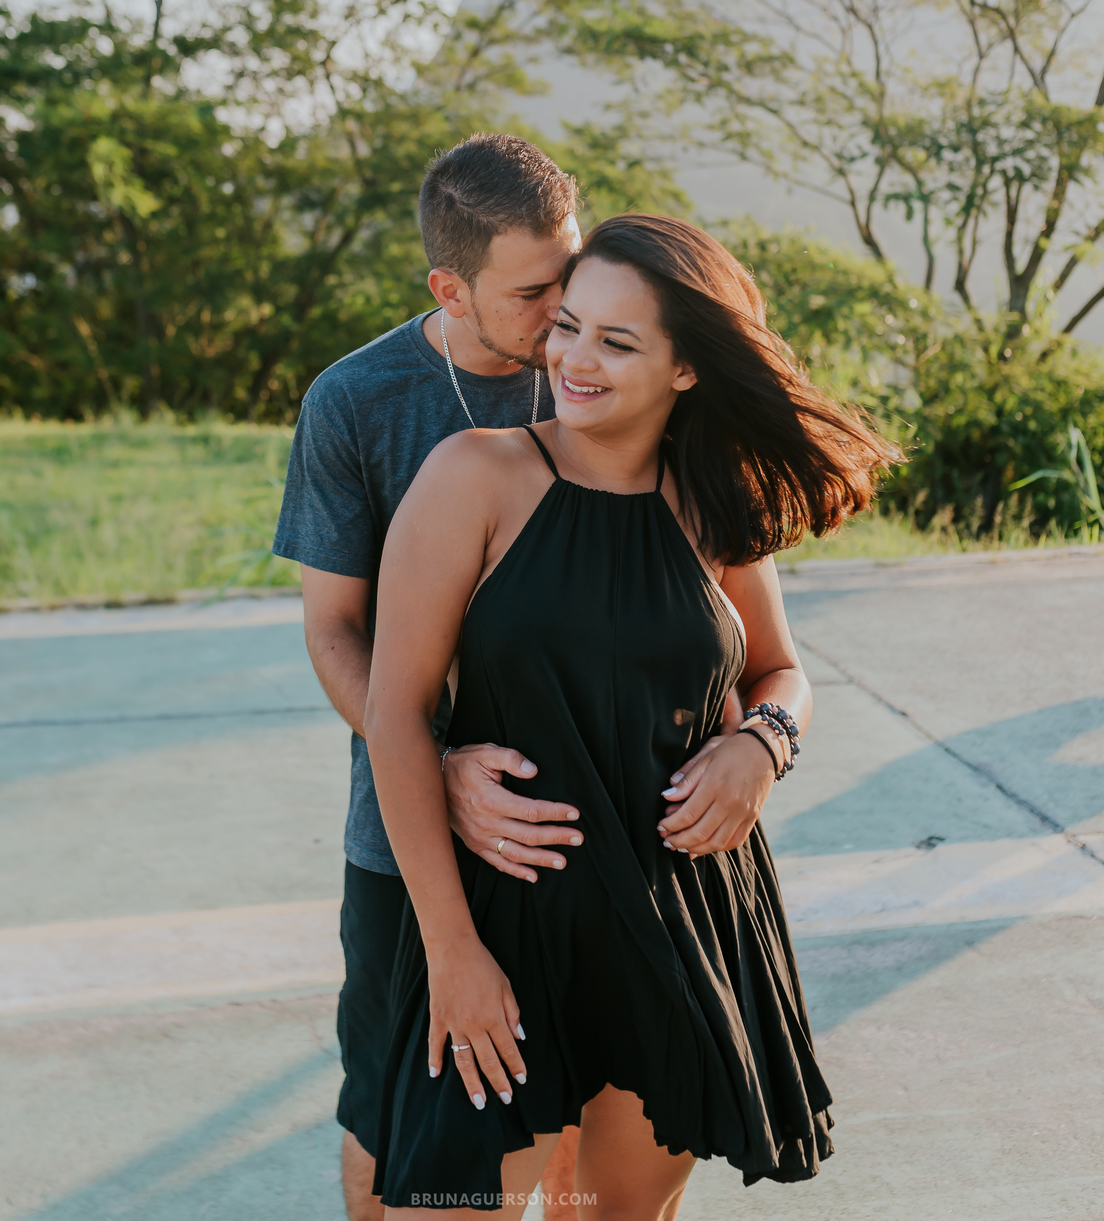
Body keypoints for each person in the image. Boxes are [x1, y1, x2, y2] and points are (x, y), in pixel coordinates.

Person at [365, 213, 900, 1216]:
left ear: (688, 369)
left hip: (680, 916)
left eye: (618, 341)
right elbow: (394, 715)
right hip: (506, 921)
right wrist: (450, 950)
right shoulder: (476, 477)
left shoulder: (715, 495)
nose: (574, 359)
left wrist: (761, 745)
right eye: (568, 326)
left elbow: (782, 671)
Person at [273, 134, 593, 1220]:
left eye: (574, 271)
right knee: (396, 1107)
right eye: (534, 289)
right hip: (405, 832)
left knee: (569, 1102)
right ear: (449, 287)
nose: (565, 309)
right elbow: (333, 630)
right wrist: (432, 758)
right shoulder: (357, 402)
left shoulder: (600, 368)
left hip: (580, 816)